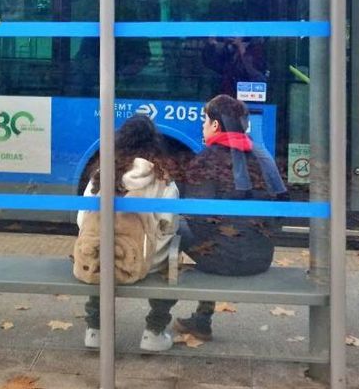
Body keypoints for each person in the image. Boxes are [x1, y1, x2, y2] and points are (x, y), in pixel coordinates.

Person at [173, 94, 286, 342]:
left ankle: (158, 318)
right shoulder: (263, 157)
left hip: (224, 260)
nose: (202, 127)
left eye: (204, 121)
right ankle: (201, 319)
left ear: (215, 125)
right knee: (222, 235)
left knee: (172, 226)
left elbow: (198, 222)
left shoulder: (205, 161)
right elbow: (279, 214)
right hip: (261, 256)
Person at [75, 115, 180, 351]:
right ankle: (154, 332)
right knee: (173, 261)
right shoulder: (163, 179)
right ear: (155, 144)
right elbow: (168, 227)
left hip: (102, 261)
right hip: (147, 263)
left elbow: (82, 220)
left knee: (101, 254)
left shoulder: (101, 175)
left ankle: (95, 330)